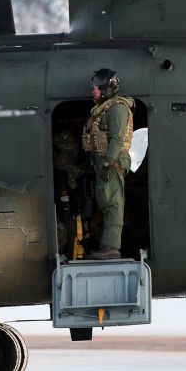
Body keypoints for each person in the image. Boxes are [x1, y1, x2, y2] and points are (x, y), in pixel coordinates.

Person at [82, 69, 134, 260]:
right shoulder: (104, 108)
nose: (93, 92)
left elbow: (116, 139)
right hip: (102, 162)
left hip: (111, 163)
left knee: (113, 204)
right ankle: (107, 245)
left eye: (96, 88)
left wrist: (108, 163)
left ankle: (111, 247)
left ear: (106, 88)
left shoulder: (117, 109)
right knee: (105, 202)